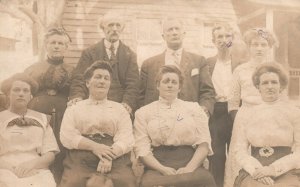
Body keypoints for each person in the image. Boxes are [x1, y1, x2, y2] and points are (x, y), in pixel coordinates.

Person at [134, 65, 217, 187]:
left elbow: (204, 144)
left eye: (174, 82)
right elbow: (142, 149)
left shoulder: (194, 109)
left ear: (179, 87)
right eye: (165, 81)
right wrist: (162, 169)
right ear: (158, 85)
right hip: (157, 165)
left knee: (205, 180)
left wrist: (189, 168)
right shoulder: (143, 112)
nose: (170, 85)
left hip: (190, 162)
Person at [59, 61, 136, 187]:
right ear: (88, 83)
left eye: (106, 78)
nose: (102, 81)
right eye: (98, 77)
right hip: (81, 155)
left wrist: (109, 156)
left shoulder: (119, 109)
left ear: (109, 84)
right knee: (74, 182)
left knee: (125, 182)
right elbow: (67, 136)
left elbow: (126, 138)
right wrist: (95, 147)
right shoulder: (74, 108)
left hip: (114, 154)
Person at [224, 28, 279, 187]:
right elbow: (233, 102)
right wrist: (241, 123)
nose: (259, 48)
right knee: (241, 157)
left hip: (270, 116)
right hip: (245, 118)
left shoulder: (275, 70)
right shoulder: (240, 70)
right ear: (249, 46)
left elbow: (282, 99)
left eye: (263, 44)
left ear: (269, 47)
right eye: (255, 44)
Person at [233, 63, 300, 187]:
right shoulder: (247, 114)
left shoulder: (294, 112)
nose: (270, 86)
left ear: (281, 86)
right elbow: (240, 151)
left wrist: (274, 169)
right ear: (258, 87)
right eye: (265, 83)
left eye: (274, 82)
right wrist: (257, 171)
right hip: (255, 169)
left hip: (286, 169)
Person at [24, 27, 73, 182]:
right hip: (38, 111)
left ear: (66, 47)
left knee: (61, 147)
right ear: (46, 46)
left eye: (60, 43)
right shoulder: (32, 69)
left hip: (64, 114)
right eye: (53, 42)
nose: (56, 46)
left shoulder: (73, 70)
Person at [138, 17, 216, 116]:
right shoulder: (148, 64)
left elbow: (208, 91)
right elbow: (140, 96)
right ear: (163, 36)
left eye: (177, 29)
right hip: (158, 118)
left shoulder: (198, 61)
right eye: (170, 29)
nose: (174, 32)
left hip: (189, 117)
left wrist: (203, 110)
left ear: (183, 34)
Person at [69, 11, 139, 114]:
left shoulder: (130, 55)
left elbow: (133, 83)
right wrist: (77, 96)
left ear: (122, 29)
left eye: (118, 25)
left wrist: (127, 102)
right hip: (94, 105)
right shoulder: (89, 53)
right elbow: (80, 79)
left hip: (120, 107)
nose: (114, 29)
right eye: (110, 25)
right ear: (103, 28)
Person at [0, 73, 59, 187]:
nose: (21, 94)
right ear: (8, 94)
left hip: (37, 167)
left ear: (31, 96)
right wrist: (16, 169)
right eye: (16, 90)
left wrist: (31, 165)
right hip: (5, 167)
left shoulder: (42, 119)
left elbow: (50, 153)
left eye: (25, 91)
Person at [206, 23, 246, 187]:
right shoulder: (207, 63)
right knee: (216, 155)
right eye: (219, 37)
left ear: (233, 39)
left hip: (236, 112)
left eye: (227, 36)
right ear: (213, 41)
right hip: (216, 112)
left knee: (237, 153)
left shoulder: (241, 64)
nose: (223, 40)